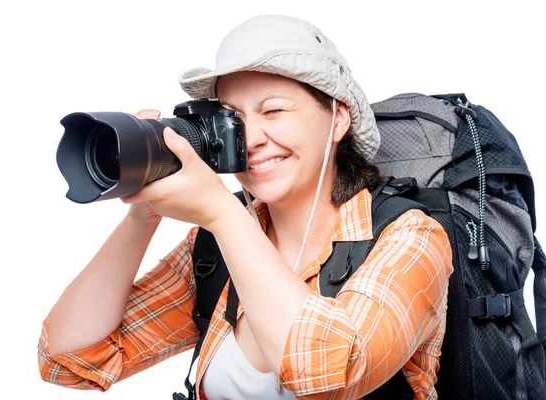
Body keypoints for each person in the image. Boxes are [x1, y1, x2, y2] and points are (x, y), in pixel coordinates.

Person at [38, 14, 453, 399]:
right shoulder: (215, 245)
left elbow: (331, 375)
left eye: (273, 110)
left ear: (339, 118)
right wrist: (142, 212)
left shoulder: (411, 237)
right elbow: (70, 359)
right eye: (233, 119)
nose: (251, 139)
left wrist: (223, 214)